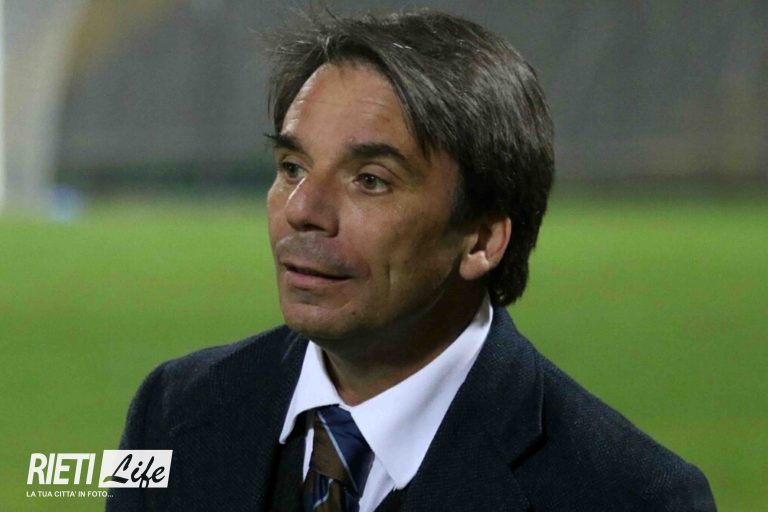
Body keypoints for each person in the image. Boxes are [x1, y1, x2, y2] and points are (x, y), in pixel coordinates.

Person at [107, 10, 716, 512]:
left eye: (370, 180)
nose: (302, 210)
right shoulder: (168, 409)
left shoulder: (633, 496)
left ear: (481, 240)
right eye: (292, 167)